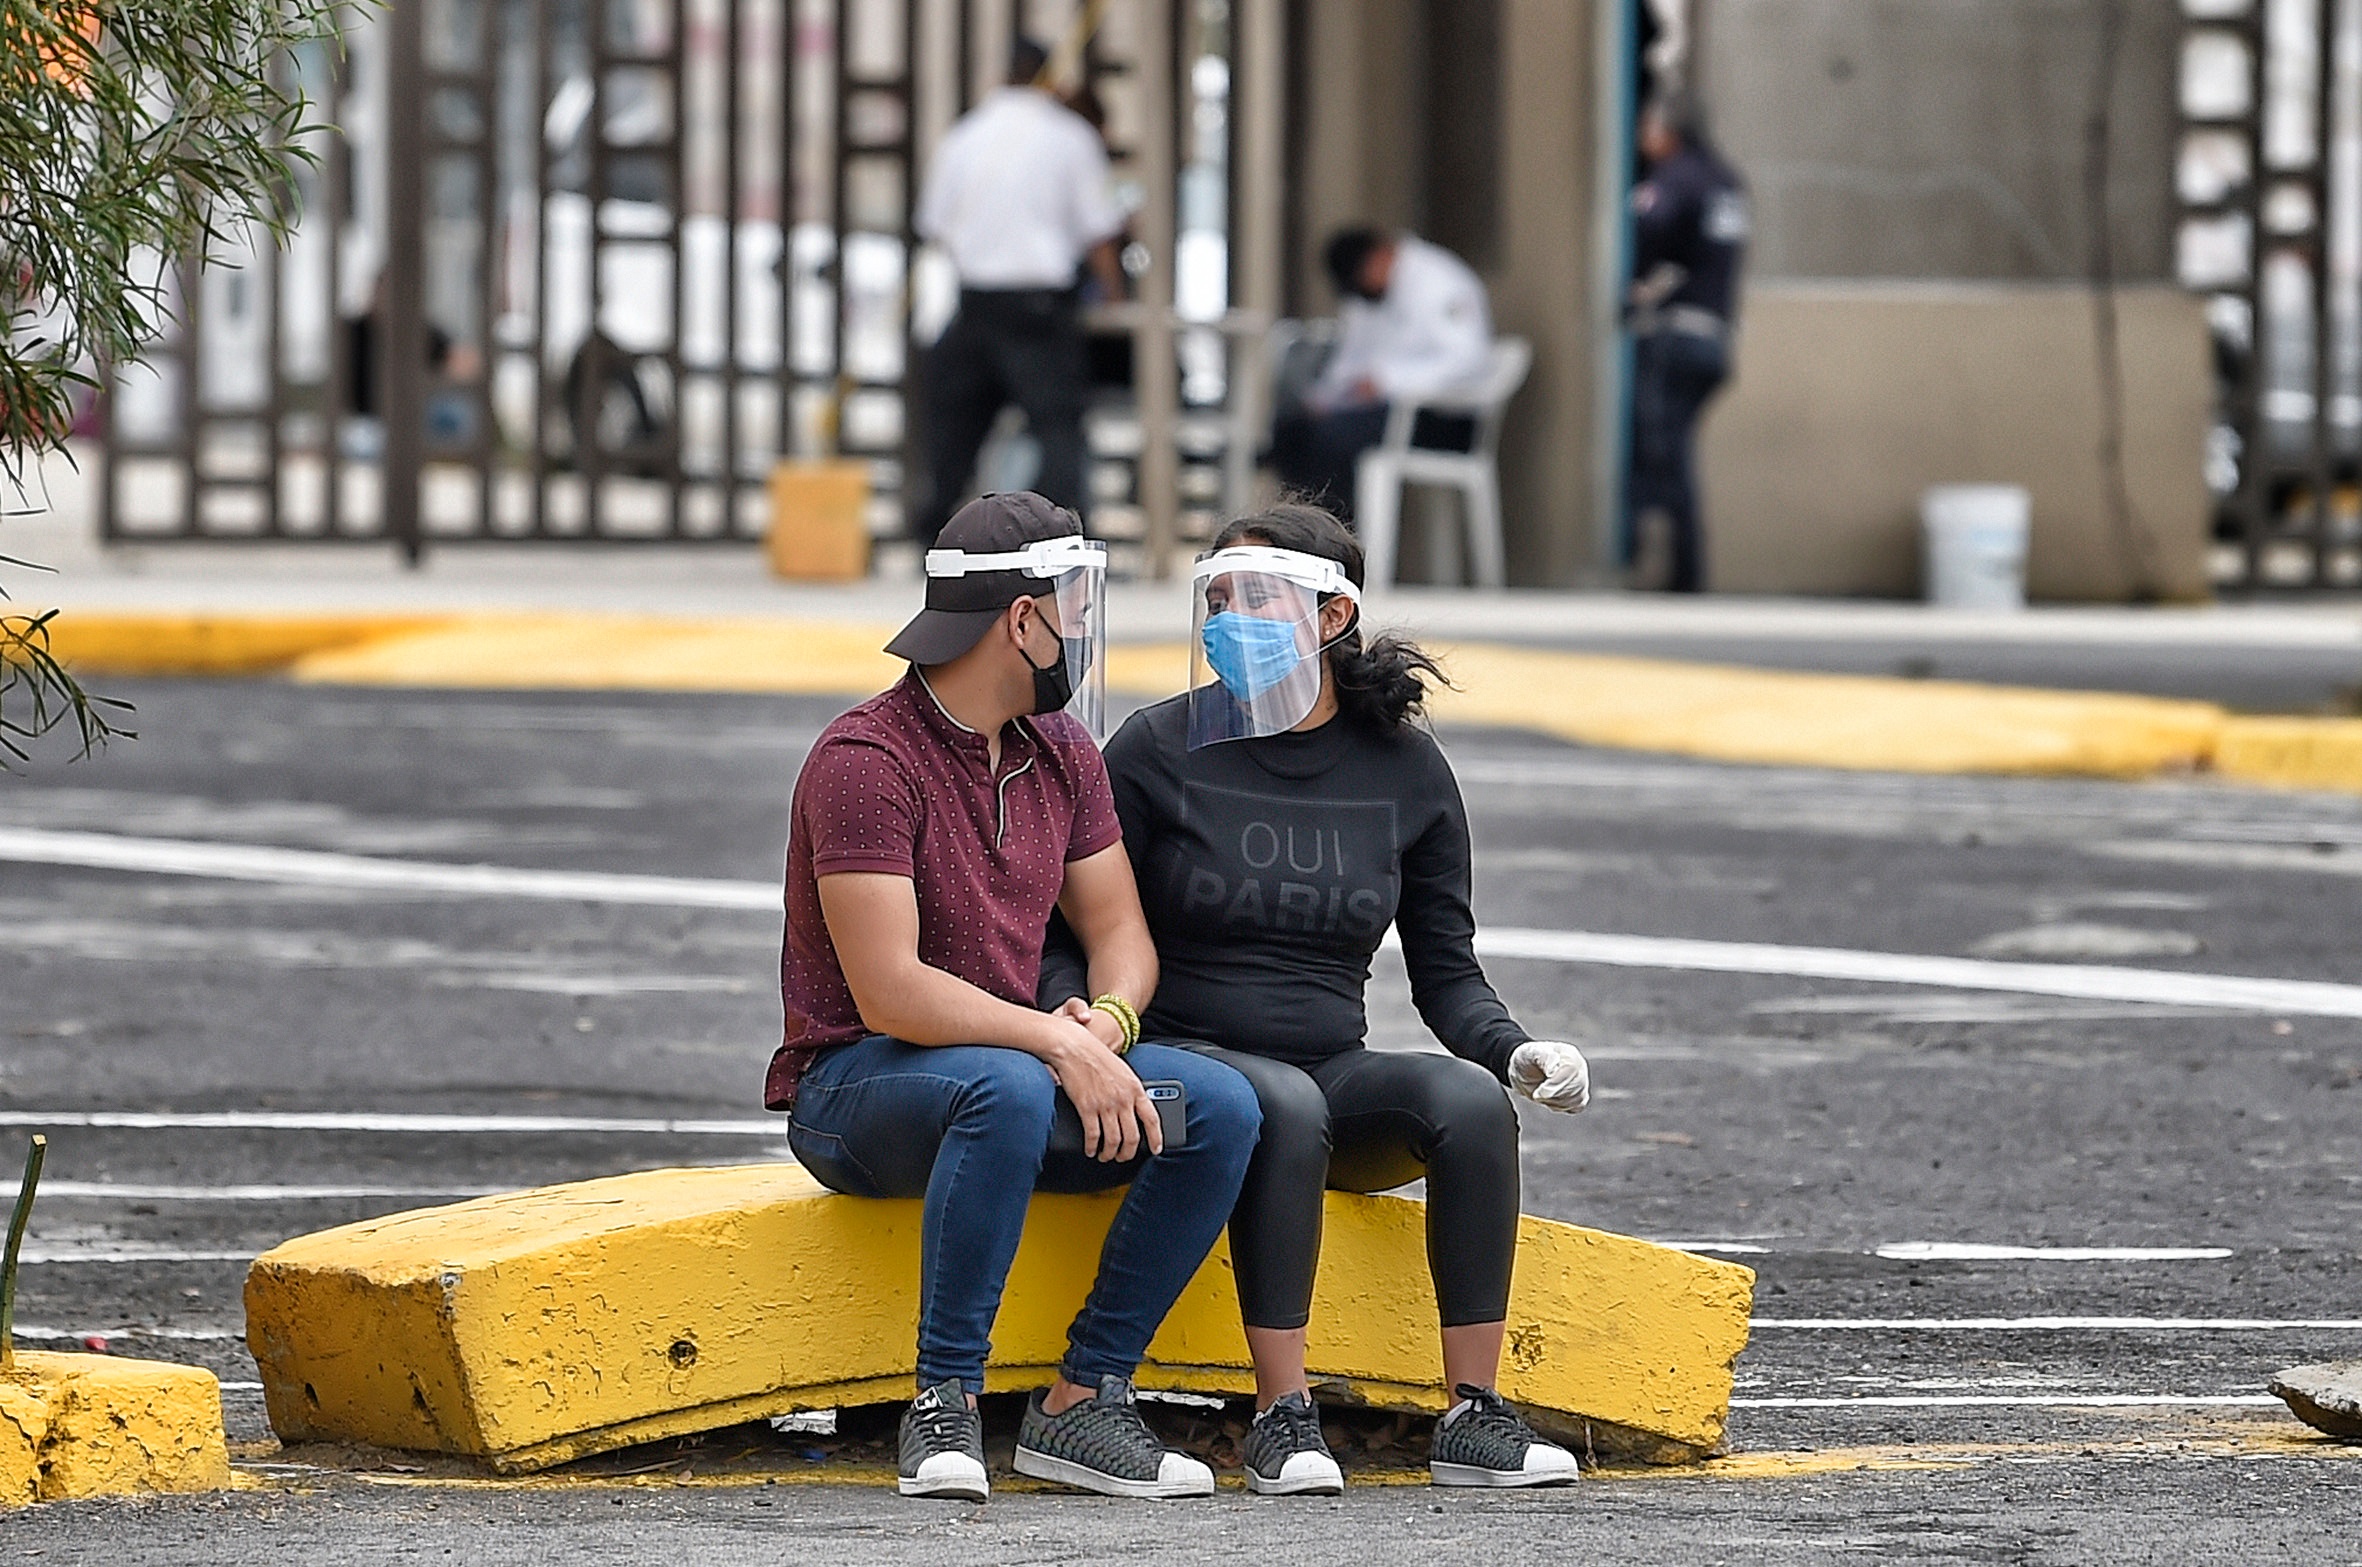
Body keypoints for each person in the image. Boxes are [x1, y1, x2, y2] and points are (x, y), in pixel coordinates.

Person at [1039, 501, 1594, 1495]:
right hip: (1189, 1066)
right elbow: (1064, 927)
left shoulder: (1406, 768)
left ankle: (1474, 1412)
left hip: (1329, 1059)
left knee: (1467, 1106)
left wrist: (1511, 1050)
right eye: (1217, 596)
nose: (1227, 616)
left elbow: (1445, 966)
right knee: (1278, 1105)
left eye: (1254, 596)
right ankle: (1281, 1416)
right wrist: (1076, 1027)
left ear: (1331, 618)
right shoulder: (1158, 747)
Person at [766, 491, 1262, 1503]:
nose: (1083, 627)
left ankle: (1082, 1401)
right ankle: (943, 1397)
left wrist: (1109, 1022)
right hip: (857, 1092)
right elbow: (890, 989)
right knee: (1009, 1087)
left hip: (1006, 1071)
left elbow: (1121, 934)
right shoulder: (865, 760)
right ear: (1020, 618)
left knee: (1219, 1107)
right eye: (1074, 603)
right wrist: (1052, 1041)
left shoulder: (1064, 752)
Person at [911, 40, 1127, 543]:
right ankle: (1057, 536)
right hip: (1037, 306)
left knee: (957, 427)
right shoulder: (1069, 137)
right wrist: (1114, 292)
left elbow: (935, 223)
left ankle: (933, 532)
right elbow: (1099, 229)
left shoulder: (965, 135)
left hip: (976, 300)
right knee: (1057, 426)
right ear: (1050, 78)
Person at [1267, 228, 1492, 524]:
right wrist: (1325, 397)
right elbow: (1352, 361)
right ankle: (1298, 531)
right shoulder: (1368, 296)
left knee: (1333, 439)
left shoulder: (1436, 281)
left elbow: (1467, 359)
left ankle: (1337, 538)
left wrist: (1389, 381)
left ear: (1380, 256)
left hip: (1439, 418)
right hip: (1379, 412)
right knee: (1292, 430)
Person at [1625, 88, 1747, 593]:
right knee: (1677, 452)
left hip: (1676, 336)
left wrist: (1633, 287)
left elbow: (1649, 229)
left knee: (1661, 453)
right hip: (1716, 337)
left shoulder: (1674, 179)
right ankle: (1683, 569)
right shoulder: (1725, 181)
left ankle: (1677, 573)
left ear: (1665, 131)